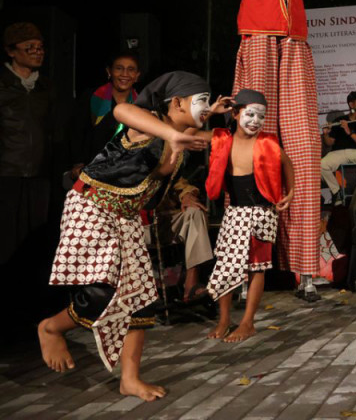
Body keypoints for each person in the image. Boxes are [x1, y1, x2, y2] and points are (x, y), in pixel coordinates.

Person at [38, 72, 227, 400]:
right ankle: (51, 327)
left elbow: (210, 135)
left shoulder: (183, 134)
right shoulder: (147, 123)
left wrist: (227, 116)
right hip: (92, 205)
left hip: (125, 217)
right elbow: (121, 111)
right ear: (176, 103)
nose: (205, 108)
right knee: (102, 292)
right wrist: (174, 132)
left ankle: (130, 379)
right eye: (201, 101)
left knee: (141, 299)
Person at [232, 0, 341, 292]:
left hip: (293, 45)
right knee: (255, 138)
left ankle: (306, 271)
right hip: (260, 40)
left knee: (302, 150)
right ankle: (245, 270)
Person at [205, 89, 294, 338]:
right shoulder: (222, 139)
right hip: (234, 211)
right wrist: (211, 111)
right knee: (225, 265)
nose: (255, 121)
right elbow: (186, 134)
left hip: (262, 212)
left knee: (257, 267)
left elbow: (287, 163)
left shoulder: (267, 141)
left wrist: (292, 190)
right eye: (250, 114)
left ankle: (247, 322)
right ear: (235, 114)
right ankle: (224, 320)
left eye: (261, 117)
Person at [0, 22, 52, 265]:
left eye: (40, 47)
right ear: (11, 51)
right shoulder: (3, 84)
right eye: (29, 47)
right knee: (7, 237)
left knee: (35, 239)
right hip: (6, 173)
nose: (37, 51)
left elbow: (55, 130)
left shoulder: (46, 87)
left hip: (39, 175)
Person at [69, 50, 142, 182]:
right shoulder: (92, 97)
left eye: (131, 69)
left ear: (137, 76)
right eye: (119, 68)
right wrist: (77, 163)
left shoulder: (142, 104)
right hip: (91, 170)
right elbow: (77, 131)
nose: (125, 74)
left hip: (127, 172)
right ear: (109, 71)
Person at [320, 91, 356, 204]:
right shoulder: (339, 120)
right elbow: (329, 143)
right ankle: (337, 193)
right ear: (351, 105)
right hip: (338, 152)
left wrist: (349, 132)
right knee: (321, 165)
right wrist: (326, 134)